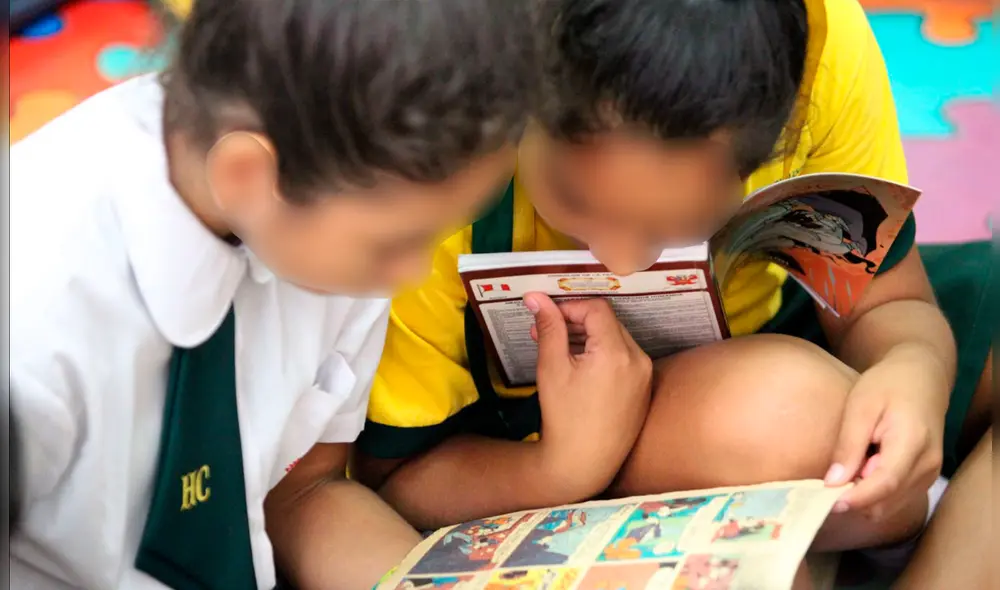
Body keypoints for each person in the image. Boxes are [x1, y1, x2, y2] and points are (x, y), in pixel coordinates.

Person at [352, 0, 994, 586]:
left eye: (676, 225)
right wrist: (560, 468)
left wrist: (914, 369)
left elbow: (883, 301)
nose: (621, 261)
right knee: (802, 419)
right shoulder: (438, 154)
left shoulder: (813, 59)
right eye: (575, 200)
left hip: (770, 323)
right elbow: (387, 482)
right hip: (510, 454)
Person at [8, 0, 541, 588]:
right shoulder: (34, 318)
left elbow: (302, 490)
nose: (413, 273)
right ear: (247, 177)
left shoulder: (334, 228)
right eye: (398, 243)